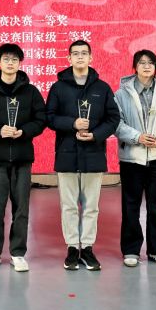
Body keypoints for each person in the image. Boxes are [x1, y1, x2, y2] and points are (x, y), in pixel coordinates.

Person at [45, 39, 120, 271]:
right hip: (66, 154)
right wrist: (72, 124)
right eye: (75, 53)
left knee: (91, 206)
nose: (80, 57)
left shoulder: (102, 88)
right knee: (68, 205)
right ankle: (71, 247)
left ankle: (86, 248)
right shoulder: (58, 88)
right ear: (68, 58)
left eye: (84, 53)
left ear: (91, 58)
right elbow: (49, 117)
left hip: (93, 154)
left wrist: (96, 135)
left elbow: (113, 118)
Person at [0, 43, 46, 272]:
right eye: (6, 59)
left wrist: (24, 131)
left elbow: (41, 119)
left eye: (14, 59)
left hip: (23, 158)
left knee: (21, 209)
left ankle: (18, 253)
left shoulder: (31, 92)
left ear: (20, 63)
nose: (10, 63)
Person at [113, 49, 156, 268]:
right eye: (141, 62)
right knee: (130, 206)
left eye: (150, 63)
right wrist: (137, 137)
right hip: (131, 158)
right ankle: (131, 250)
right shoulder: (121, 93)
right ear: (135, 67)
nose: (146, 66)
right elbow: (116, 122)